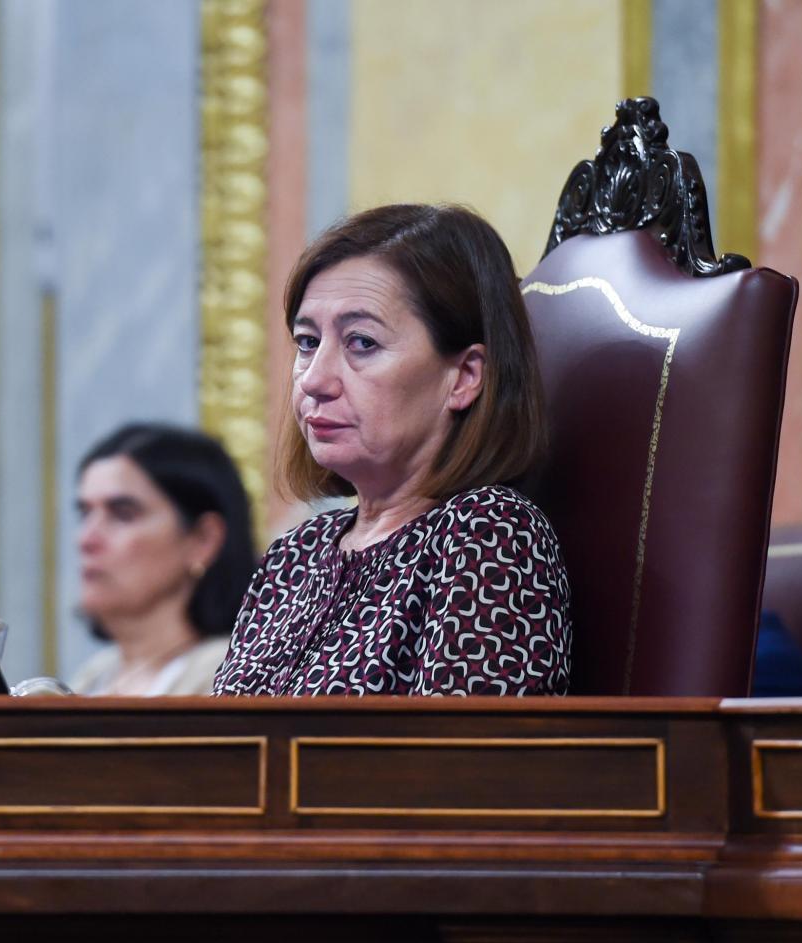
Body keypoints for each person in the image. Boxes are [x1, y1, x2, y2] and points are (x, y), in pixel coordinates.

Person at [212, 203, 572, 696]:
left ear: (465, 377)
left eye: (361, 342)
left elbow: (468, 766)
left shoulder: (488, 536)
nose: (314, 380)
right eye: (307, 341)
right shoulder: (292, 556)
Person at [67, 423, 257, 696]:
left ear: (203, 540)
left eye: (122, 514)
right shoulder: (95, 677)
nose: (86, 539)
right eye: (85, 513)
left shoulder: (232, 681)